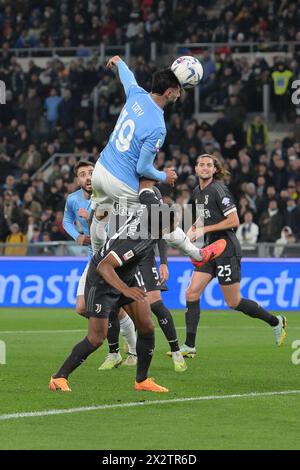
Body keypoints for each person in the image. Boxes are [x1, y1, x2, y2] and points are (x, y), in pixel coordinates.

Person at [49, 179, 227, 393]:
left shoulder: (152, 207)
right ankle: (59, 378)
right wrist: (125, 291)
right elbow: (105, 267)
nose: (171, 231)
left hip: (126, 276)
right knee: (96, 338)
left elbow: (145, 187)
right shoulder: (136, 238)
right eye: (170, 227)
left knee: (146, 326)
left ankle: (141, 380)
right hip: (103, 280)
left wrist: (155, 173)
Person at [90, 55, 209, 265]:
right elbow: (143, 167)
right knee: (159, 219)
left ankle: (95, 256)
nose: (180, 93)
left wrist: (119, 62)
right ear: (169, 92)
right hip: (121, 182)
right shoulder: (157, 126)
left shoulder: (136, 95)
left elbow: (128, 77)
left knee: (101, 215)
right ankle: (197, 254)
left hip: (100, 170)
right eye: (178, 90)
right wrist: (164, 175)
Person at [178, 154, 286, 358]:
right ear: (196, 168)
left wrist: (203, 229)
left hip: (227, 249)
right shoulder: (196, 192)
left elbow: (234, 220)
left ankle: (275, 321)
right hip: (210, 249)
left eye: (209, 165)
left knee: (233, 302)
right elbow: (202, 218)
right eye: (201, 164)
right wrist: (190, 233)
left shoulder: (219, 189)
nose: (204, 167)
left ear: (214, 170)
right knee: (192, 293)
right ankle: (190, 346)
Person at [99, 186, 187, 373]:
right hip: (123, 254)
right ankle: (116, 354)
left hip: (144, 256)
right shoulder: (118, 189)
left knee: (156, 304)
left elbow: (161, 227)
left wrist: (163, 262)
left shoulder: (150, 191)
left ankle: (176, 352)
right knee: (113, 304)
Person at [63, 160, 137, 364]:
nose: (88, 177)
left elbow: (116, 227)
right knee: (81, 307)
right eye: (83, 174)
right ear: (78, 180)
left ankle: (132, 351)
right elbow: (66, 221)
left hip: (111, 260)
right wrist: (76, 236)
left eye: (91, 173)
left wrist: (91, 219)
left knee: (112, 308)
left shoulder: (108, 196)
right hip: (92, 260)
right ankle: (124, 334)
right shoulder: (73, 199)